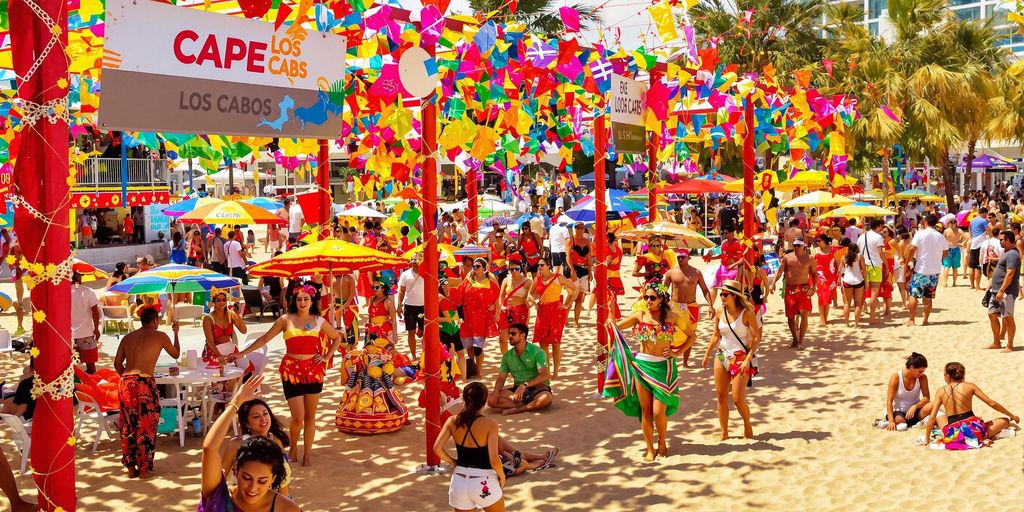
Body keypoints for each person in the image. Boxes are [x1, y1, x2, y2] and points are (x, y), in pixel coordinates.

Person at [228, 285, 344, 466]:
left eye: (306, 299)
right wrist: (242, 353)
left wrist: (327, 356)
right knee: (298, 417)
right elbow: (264, 339)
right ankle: (294, 448)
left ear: (311, 301)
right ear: (294, 301)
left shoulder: (319, 320)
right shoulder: (285, 319)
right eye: (299, 299)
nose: (302, 302)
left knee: (310, 416)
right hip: (291, 371)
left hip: (313, 371)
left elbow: (337, 337)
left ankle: (307, 455)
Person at [603, 283, 681, 461]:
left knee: (658, 411)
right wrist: (610, 310)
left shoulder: (673, 317)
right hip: (642, 366)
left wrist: (677, 352)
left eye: (652, 297)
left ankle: (662, 441)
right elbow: (614, 328)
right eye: (646, 297)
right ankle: (650, 449)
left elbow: (692, 335)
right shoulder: (640, 315)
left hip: (663, 368)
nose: (648, 301)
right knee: (646, 411)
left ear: (661, 299)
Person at [200, 376, 300, 512]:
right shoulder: (218, 498)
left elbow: (284, 481)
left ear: (273, 478)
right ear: (235, 471)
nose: (252, 488)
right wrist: (236, 401)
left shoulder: (286, 508)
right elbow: (209, 448)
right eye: (246, 478)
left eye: (262, 481)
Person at [113, 307, 180, 478]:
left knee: (128, 424)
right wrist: (176, 333)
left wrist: (128, 380)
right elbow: (176, 354)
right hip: (144, 382)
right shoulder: (160, 336)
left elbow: (117, 364)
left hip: (126, 382)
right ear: (155, 320)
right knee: (146, 425)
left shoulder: (128, 337)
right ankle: (143, 469)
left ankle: (131, 468)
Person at [701, 280, 762, 440]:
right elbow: (716, 335)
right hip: (722, 354)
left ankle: (747, 424)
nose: (721, 297)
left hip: (740, 357)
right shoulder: (719, 312)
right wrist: (707, 353)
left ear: (734, 296)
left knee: (737, 398)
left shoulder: (747, 313)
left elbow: (756, 338)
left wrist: (748, 358)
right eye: (721, 294)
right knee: (720, 395)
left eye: (725, 295)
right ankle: (724, 432)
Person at [432, 382, 505, 512]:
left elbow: (437, 448)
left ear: (464, 399)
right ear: (484, 401)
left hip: (459, 481)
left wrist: (454, 462)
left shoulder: (452, 421)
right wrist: (502, 476)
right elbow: (494, 459)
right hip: (483, 480)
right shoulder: (490, 424)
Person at [922, 362, 1019, 448]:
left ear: (948, 375)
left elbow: (932, 416)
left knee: (940, 416)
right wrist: (1012, 416)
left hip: (953, 435)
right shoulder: (970, 386)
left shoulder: (940, 391)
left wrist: (927, 438)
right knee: (1005, 420)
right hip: (973, 431)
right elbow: (991, 403)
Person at [220, 398, 292, 497]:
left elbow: (283, 479)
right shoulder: (236, 444)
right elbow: (220, 478)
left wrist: (281, 502)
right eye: (256, 416)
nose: (263, 419)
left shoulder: (276, 441)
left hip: (270, 499)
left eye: (265, 414)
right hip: (242, 499)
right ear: (246, 423)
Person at [487, 323, 553, 416]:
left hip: (537, 388)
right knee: (490, 398)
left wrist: (525, 385)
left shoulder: (538, 352)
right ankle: (526, 404)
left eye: (513, 334)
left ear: (522, 335)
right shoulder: (507, 356)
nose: (509, 336)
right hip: (517, 390)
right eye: (509, 333)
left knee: (546, 398)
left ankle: (517, 409)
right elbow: (501, 377)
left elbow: (545, 375)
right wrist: (496, 391)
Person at [662, 249, 710, 367]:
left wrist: (711, 306)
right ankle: (668, 358)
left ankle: (685, 362)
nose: (680, 259)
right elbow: (663, 290)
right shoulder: (671, 272)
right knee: (670, 332)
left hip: (691, 307)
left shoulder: (696, 273)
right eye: (678, 257)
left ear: (688, 257)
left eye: (683, 257)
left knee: (691, 334)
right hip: (674, 306)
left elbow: (705, 289)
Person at [531, 259, 576, 379]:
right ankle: (547, 371)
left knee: (555, 343)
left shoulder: (558, 278)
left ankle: (556, 372)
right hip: (542, 312)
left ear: (548, 265)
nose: (539, 267)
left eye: (542, 265)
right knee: (543, 343)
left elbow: (575, 289)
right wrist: (534, 303)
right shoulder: (537, 279)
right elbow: (530, 294)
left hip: (556, 312)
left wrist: (567, 304)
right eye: (538, 265)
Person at [770, 238, 816, 348]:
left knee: (804, 314)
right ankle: (795, 339)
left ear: (803, 245)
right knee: (790, 316)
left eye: (798, 245)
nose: (796, 247)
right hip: (790, 289)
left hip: (804, 289)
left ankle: (801, 341)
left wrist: (814, 286)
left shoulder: (809, 258)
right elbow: (780, 271)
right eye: (794, 245)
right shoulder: (787, 257)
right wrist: (773, 283)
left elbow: (814, 273)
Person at [458, 258, 500, 377]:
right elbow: (459, 293)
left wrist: (496, 309)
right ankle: (472, 368)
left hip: (482, 318)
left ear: (484, 268)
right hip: (467, 317)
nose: (474, 268)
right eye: (474, 266)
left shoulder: (490, 279)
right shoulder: (468, 279)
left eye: (477, 266)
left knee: (478, 348)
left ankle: (478, 371)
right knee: (469, 347)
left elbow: (496, 296)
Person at [906, 215, 947, 326]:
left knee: (913, 294)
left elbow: (912, 249)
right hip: (934, 271)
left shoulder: (920, 234)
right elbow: (945, 253)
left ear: (925, 222)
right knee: (928, 297)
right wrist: (937, 259)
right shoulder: (940, 236)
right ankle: (925, 320)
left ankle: (911, 319)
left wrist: (907, 262)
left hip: (920, 270)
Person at [984, 230, 1019, 353]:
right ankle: (996, 342)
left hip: (1006, 292)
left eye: (1001, 240)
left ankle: (1010, 345)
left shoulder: (1012, 254)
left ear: (1008, 240)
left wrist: (1002, 290)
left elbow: (1010, 274)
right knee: (992, 314)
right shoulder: (1007, 253)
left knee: (1008, 317)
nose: (1000, 242)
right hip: (996, 290)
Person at [882, 352, 932, 431]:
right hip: (898, 412)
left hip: (915, 411)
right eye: (920, 371)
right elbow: (889, 401)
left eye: (923, 372)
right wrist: (891, 421)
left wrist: (915, 406)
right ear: (912, 367)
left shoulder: (923, 378)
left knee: (933, 405)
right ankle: (916, 423)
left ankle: (916, 423)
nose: (921, 374)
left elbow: (927, 398)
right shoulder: (896, 377)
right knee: (899, 420)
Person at [202, 291, 248, 368]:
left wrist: (237, 315)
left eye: (224, 300)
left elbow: (244, 331)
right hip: (215, 351)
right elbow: (210, 341)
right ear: (213, 302)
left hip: (231, 349)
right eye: (218, 300)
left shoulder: (231, 314)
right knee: (221, 372)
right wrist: (219, 355)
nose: (222, 302)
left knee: (246, 367)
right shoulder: (208, 318)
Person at [497, 257, 533, 355]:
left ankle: (520, 358)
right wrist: (501, 306)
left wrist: (530, 303)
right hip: (507, 310)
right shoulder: (506, 280)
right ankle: (506, 359)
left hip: (521, 310)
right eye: (511, 269)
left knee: (519, 338)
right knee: (502, 338)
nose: (514, 271)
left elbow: (534, 295)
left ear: (520, 269)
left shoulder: (528, 282)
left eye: (516, 269)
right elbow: (501, 296)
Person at [71, 271, 101, 373]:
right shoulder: (88, 291)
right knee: (90, 364)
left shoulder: (63, 292)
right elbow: (95, 312)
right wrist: (96, 329)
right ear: (79, 277)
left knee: (70, 365)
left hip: (68, 334)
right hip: (86, 333)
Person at [857, 219, 886, 323]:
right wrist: (886, 265)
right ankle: (872, 317)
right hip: (875, 266)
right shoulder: (878, 237)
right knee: (874, 292)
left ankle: (858, 316)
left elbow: (858, 251)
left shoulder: (861, 236)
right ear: (878, 226)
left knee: (861, 293)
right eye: (881, 226)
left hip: (863, 266)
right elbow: (881, 252)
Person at [397, 254, 425, 359]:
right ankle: (414, 356)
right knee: (411, 332)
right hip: (409, 306)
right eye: (414, 261)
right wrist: (399, 306)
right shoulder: (405, 274)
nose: (416, 264)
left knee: (425, 332)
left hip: (423, 307)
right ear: (411, 262)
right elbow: (401, 291)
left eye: (418, 261)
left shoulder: (426, 273)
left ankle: (424, 354)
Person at [565, 223, 592, 328]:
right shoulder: (570, 240)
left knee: (580, 298)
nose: (579, 230)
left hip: (583, 269)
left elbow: (588, 257)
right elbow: (568, 256)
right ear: (574, 228)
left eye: (581, 228)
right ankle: (564, 319)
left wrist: (590, 271)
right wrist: (572, 270)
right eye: (577, 228)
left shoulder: (586, 241)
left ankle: (576, 321)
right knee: (571, 295)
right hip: (574, 268)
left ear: (584, 229)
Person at [813, 235, 839, 326]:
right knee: (821, 296)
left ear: (824, 241)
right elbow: (811, 264)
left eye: (819, 240)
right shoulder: (815, 250)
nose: (817, 242)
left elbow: (838, 263)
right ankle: (822, 319)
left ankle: (825, 318)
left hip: (831, 276)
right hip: (819, 276)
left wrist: (839, 275)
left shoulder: (833, 250)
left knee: (827, 297)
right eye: (816, 241)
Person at [968, 207, 990, 290]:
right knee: (978, 267)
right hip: (980, 245)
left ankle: (972, 285)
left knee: (972, 267)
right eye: (986, 214)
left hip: (973, 244)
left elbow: (970, 231)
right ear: (983, 213)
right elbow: (989, 231)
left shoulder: (972, 221)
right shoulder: (983, 220)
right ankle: (977, 286)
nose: (986, 215)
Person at [943, 221, 967, 287]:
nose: (953, 224)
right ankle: (954, 283)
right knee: (955, 267)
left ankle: (945, 283)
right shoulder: (959, 230)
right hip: (956, 249)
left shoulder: (946, 231)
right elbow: (966, 237)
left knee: (946, 267)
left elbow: (943, 240)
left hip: (948, 249)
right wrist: (962, 243)